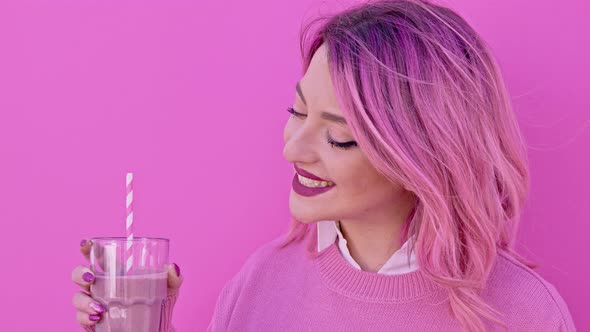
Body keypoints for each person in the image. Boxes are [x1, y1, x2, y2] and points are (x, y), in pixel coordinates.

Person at [72, 0, 576, 331]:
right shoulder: (260, 283)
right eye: (297, 112)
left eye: (338, 135)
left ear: (420, 156)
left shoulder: (526, 312)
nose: (294, 148)